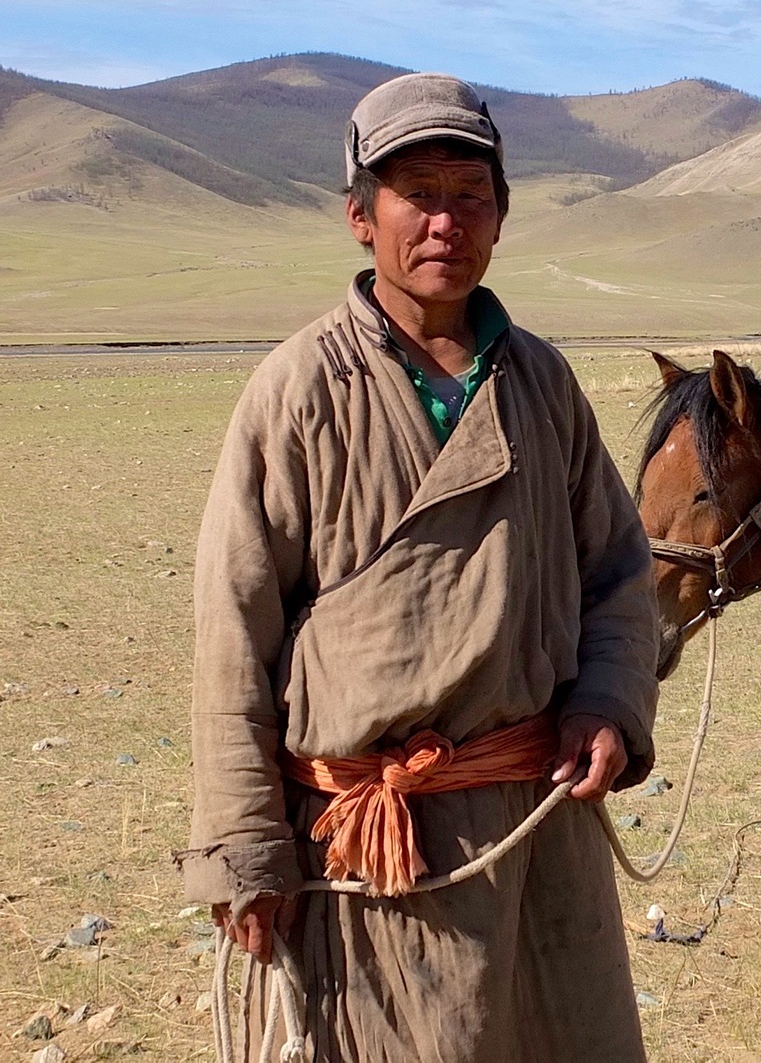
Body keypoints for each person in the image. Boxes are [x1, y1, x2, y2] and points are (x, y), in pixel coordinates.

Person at [176, 72, 660, 1062]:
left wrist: (607, 703)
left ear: (501, 216)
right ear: (360, 215)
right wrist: (245, 843)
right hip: (373, 849)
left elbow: (616, 570)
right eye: (416, 192)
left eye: (468, 193)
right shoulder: (297, 390)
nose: (445, 219)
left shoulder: (543, 382)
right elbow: (233, 626)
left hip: (537, 826)